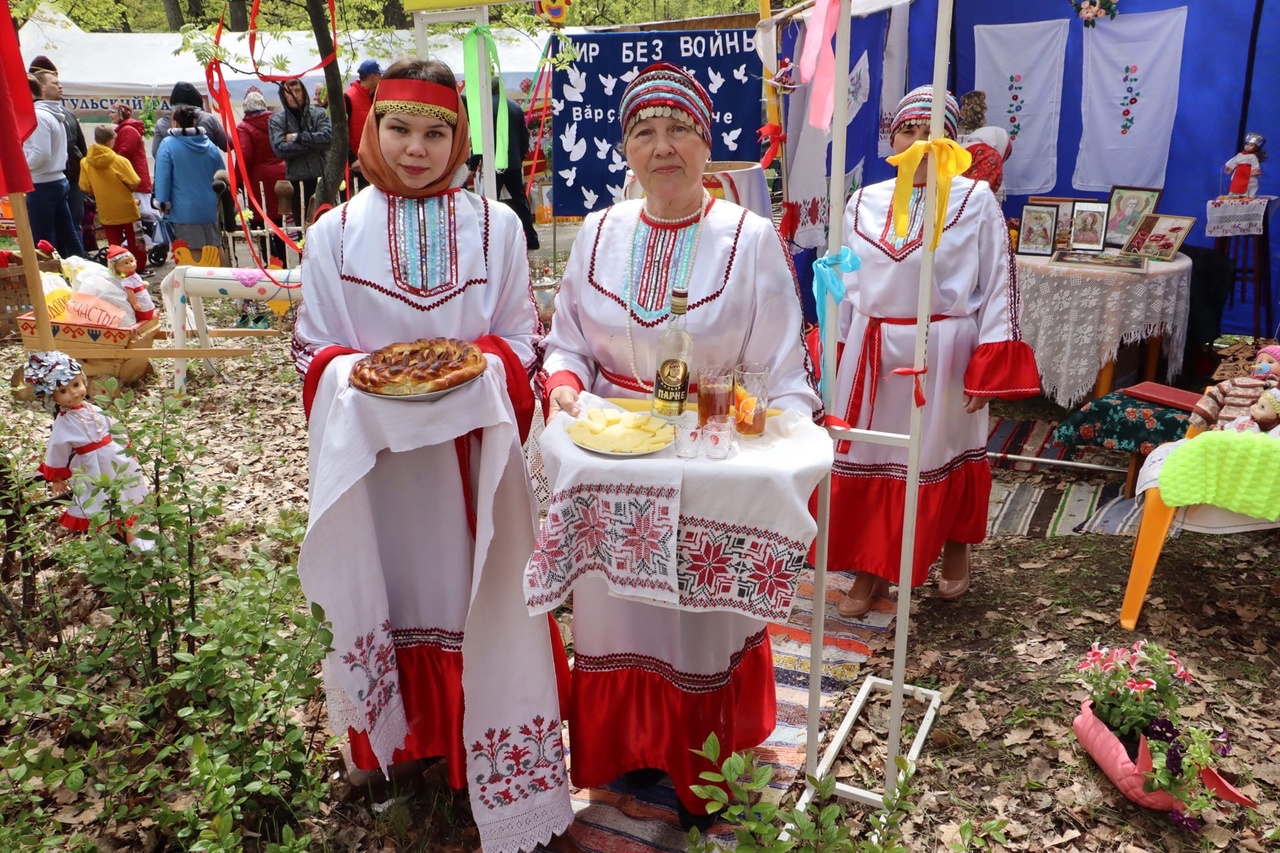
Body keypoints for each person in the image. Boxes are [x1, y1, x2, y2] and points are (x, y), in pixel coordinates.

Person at [290, 57, 572, 851]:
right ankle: (400, 747)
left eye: (435, 131)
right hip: (376, 466)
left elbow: (523, 337)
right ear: (371, 130)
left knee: (476, 596)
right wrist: (365, 377)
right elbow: (311, 349)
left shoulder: (499, 226)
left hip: (470, 462)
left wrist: (470, 366)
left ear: (460, 139)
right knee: (392, 590)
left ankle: (479, 753)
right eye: (399, 128)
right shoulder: (333, 233)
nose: (415, 148)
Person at [540, 61, 820, 830]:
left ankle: (704, 767)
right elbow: (565, 345)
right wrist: (563, 385)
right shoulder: (598, 231)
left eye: (679, 130)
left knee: (696, 618)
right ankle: (621, 749)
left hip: (708, 448)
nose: (662, 146)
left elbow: (776, 367)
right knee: (616, 615)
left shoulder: (751, 237)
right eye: (643, 131)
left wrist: (755, 424)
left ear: (707, 143)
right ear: (625, 147)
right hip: (609, 454)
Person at [827, 85, 1040, 618]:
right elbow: (846, 285)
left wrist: (988, 366)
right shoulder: (862, 201)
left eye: (932, 134)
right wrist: (837, 354)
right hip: (874, 349)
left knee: (938, 451)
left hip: (944, 349)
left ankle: (954, 548)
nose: (919, 143)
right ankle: (870, 569)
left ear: (951, 144)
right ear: (892, 139)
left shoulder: (975, 200)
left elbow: (998, 283)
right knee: (876, 454)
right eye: (908, 131)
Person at [25, 351, 152, 552]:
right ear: (52, 397)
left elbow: (113, 427)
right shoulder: (64, 423)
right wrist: (56, 476)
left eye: (76, 385)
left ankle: (132, 535)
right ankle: (118, 541)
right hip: (92, 465)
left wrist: (126, 448)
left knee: (125, 494)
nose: (74, 393)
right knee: (103, 501)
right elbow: (57, 448)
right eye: (63, 391)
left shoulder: (93, 409)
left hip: (114, 458)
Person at [466, 77, 539, 249]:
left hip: (493, 162)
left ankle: (489, 241)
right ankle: (531, 239)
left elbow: (480, 140)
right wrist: (519, 158)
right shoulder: (514, 106)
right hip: (512, 162)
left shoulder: (484, 108)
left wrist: (472, 164)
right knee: (520, 202)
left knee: (489, 202)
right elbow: (524, 137)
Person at [23, 74, 84, 259]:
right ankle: (80, 271)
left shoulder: (39, 116)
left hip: (43, 184)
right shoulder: (51, 113)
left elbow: (41, 154)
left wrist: (22, 168)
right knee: (68, 234)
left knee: (44, 240)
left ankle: (50, 280)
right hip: (56, 180)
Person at [154, 105, 226, 258]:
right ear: (194, 122)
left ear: (175, 122)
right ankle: (221, 278)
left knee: (190, 250)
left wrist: (162, 202)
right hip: (209, 206)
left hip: (183, 208)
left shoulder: (168, 144)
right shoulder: (210, 145)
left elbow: (163, 177)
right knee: (215, 246)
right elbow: (221, 175)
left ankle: (197, 281)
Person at [79, 125, 146, 275]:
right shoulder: (119, 160)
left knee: (114, 243)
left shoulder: (85, 163)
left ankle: (117, 270)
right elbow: (134, 181)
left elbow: (84, 185)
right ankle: (139, 267)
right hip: (127, 207)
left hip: (105, 208)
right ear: (111, 141)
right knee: (135, 240)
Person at [233, 89, 288, 266]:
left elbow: (244, 155)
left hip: (259, 181)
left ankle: (271, 263)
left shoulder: (244, 127)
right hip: (281, 176)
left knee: (261, 225)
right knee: (280, 223)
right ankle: (284, 262)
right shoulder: (278, 121)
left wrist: (238, 180)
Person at [270, 77, 332, 220]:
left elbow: (328, 138)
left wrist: (297, 137)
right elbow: (280, 149)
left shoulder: (319, 114)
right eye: (289, 92)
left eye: (297, 90)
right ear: (283, 95)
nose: (294, 95)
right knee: (303, 227)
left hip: (321, 177)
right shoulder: (277, 120)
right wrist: (313, 144)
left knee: (325, 222)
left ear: (304, 92)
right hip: (296, 182)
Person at [109, 103, 159, 234]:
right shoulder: (124, 129)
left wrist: (108, 160)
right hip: (131, 176)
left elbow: (125, 153)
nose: (110, 115)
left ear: (121, 114)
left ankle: (152, 240)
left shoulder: (128, 130)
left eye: (113, 112)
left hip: (134, 177)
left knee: (142, 211)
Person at [151, 82, 228, 157]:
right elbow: (227, 145)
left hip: (176, 168)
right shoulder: (209, 119)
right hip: (207, 167)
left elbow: (156, 153)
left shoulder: (161, 123)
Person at [343, 59, 382, 192]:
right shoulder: (348, 97)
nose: (381, 79)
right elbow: (340, 133)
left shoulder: (378, 98)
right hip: (356, 168)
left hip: (376, 166)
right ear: (373, 76)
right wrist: (352, 159)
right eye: (379, 75)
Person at [105, 246, 156, 321]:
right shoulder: (126, 281)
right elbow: (130, 294)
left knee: (148, 305)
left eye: (132, 261)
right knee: (144, 311)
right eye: (126, 263)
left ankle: (149, 315)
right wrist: (134, 303)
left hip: (144, 297)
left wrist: (143, 284)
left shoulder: (134, 274)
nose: (131, 264)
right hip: (140, 302)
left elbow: (137, 283)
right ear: (116, 268)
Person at [1224, 132, 1266, 198]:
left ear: (1256, 148)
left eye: (1251, 145)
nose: (1248, 147)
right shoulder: (1240, 155)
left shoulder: (1252, 156)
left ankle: (1248, 194)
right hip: (1239, 172)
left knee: (1250, 183)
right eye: (1247, 144)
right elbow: (1234, 161)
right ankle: (1235, 193)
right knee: (1236, 182)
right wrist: (1229, 166)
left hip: (1247, 172)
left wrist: (1255, 171)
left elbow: (1255, 164)